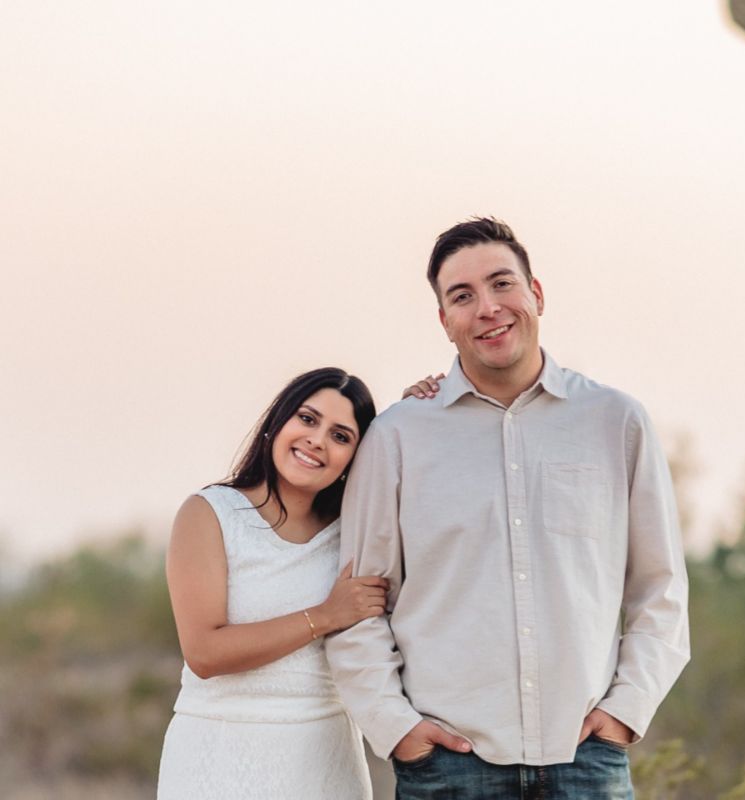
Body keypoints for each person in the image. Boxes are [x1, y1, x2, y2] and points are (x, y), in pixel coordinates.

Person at [326, 218, 691, 799]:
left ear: (536, 293)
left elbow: (660, 589)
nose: (488, 308)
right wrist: (397, 729)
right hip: (447, 770)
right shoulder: (398, 437)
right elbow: (359, 602)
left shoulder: (616, 422)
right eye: (462, 296)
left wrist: (626, 711)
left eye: (502, 284)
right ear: (444, 321)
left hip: (586, 762)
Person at [157, 367, 387, 799]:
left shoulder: (355, 534)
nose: (317, 440)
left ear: (355, 457)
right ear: (278, 421)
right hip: (217, 758)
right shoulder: (210, 513)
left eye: (340, 436)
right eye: (307, 419)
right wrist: (325, 616)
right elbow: (204, 653)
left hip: (325, 760)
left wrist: (420, 407)